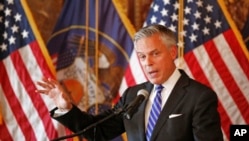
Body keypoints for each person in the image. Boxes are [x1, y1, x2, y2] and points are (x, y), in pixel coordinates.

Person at [36, 24, 223, 141]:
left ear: (172, 52)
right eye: (142, 57)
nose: (147, 63)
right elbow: (98, 131)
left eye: (155, 54)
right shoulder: (134, 95)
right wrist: (66, 107)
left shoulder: (199, 97)